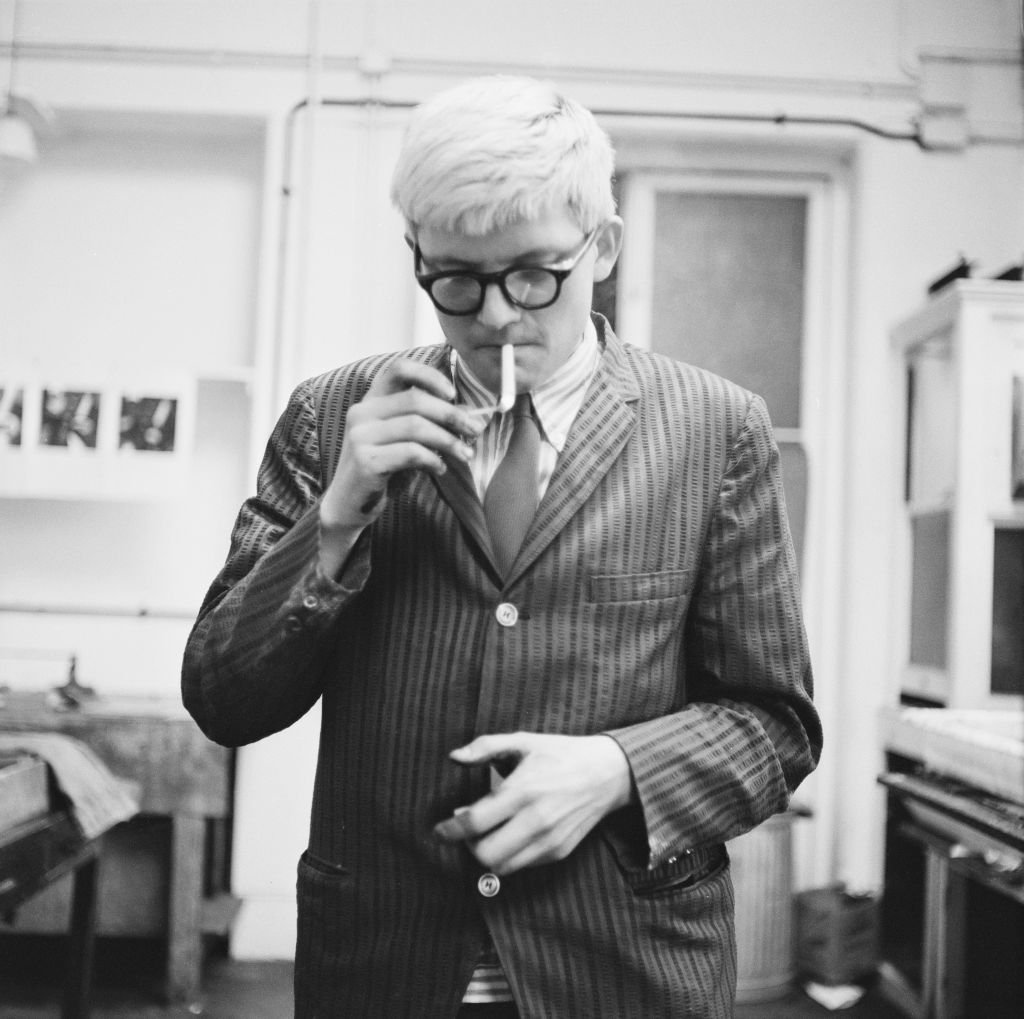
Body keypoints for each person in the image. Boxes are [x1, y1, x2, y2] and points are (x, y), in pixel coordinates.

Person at [182, 75, 822, 1019]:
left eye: (532, 274)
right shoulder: (330, 420)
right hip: (383, 968)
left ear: (600, 248)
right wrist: (337, 516)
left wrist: (618, 769)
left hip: (623, 973)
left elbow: (777, 725)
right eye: (455, 280)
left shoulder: (712, 430)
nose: (492, 317)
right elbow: (224, 699)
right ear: (418, 257)